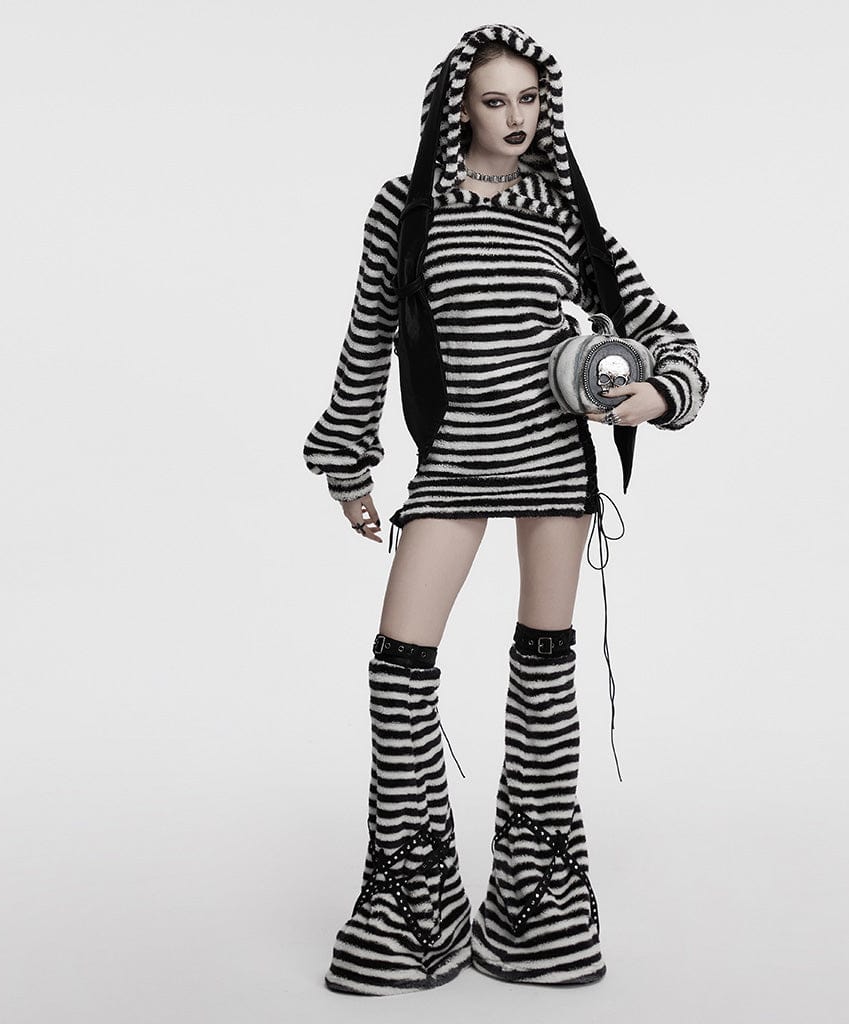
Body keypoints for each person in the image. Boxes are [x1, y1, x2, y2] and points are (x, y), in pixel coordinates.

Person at [303, 23, 708, 996]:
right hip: (455, 461)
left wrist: (657, 394)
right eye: (495, 100)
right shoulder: (407, 209)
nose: (516, 117)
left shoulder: (563, 213)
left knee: (544, 667)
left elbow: (666, 330)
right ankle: (410, 908)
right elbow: (367, 337)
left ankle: (539, 910)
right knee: (399, 665)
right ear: (459, 108)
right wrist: (348, 460)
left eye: (530, 100)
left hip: (554, 468)